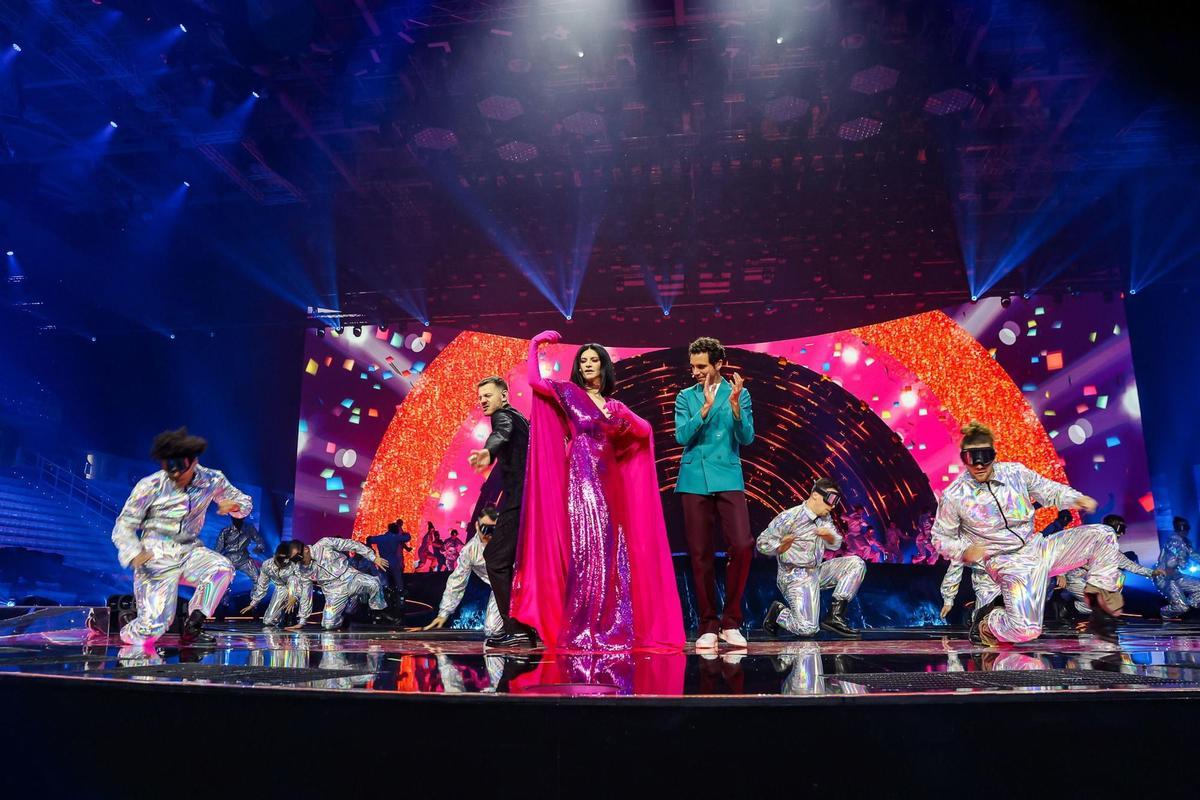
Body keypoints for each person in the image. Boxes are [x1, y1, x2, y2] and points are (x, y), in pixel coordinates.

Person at [507, 330, 684, 650]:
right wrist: (535, 345)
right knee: (588, 550)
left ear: (604, 367)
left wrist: (625, 417)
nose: (588, 364)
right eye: (584, 360)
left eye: (594, 360)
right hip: (581, 480)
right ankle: (585, 624)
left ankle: (612, 623)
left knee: (611, 553)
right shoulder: (569, 393)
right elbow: (534, 381)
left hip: (611, 482)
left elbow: (644, 430)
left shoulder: (613, 405)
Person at [931, 421, 1123, 645]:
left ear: (994, 454)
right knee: (1026, 631)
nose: (980, 464)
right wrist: (965, 550)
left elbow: (1048, 489)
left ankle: (1101, 610)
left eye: (985, 455)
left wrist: (1076, 498)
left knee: (1104, 535)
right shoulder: (954, 495)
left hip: (1038, 548)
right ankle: (987, 621)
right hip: (1006, 562)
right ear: (964, 458)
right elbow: (940, 537)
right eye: (972, 457)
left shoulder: (1015, 473)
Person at [110, 427, 250, 646]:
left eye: (180, 470)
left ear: (193, 463)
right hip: (155, 557)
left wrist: (235, 506)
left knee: (221, 568)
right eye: (169, 470)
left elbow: (243, 502)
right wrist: (134, 552)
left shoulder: (213, 480)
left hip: (190, 552)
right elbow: (124, 525)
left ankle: (194, 626)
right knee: (151, 631)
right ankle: (126, 622)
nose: (175, 476)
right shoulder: (150, 486)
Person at [674, 336, 755, 651]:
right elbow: (682, 436)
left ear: (718, 364)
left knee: (742, 544)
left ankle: (731, 620)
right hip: (694, 478)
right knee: (700, 553)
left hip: (729, 476)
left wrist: (734, 409)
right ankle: (708, 622)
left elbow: (746, 438)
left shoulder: (741, 394)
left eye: (701, 366)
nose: (695, 371)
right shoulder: (686, 397)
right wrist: (704, 410)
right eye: (693, 366)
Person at [467, 375, 533, 647]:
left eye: (488, 395)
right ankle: (525, 628)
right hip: (526, 498)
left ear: (503, 396)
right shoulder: (520, 418)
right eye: (480, 396)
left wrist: (487, 452)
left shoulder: (503, 417)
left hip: (517, 501)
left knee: (494, 558)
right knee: (517, 562)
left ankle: (516, 628)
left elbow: (500, 433)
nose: (483, 400)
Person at [760, 479, 866, 638]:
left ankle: (835, 616)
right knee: (807, 629)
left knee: (856, 564)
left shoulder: (825, 518)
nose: (832, 506)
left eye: (835, 502)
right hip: (794, 576)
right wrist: (780, 547)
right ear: (815, 495)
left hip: (816, 571)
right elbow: (762, 543)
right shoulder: (790, 517)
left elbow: (836, 544)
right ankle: (778, 613)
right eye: (829, 500)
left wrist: (828, 536)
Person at [1057, 514, 1163, 618]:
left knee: (1119, 577)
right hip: (1076, 578)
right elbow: (1068, 554)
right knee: (1098, 604)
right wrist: (1061, 574)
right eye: (1121, 529)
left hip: (1092, 582)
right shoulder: (1090, 543)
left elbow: (1131, 565)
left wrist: (1152, 572)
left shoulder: (1113, 552)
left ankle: (1076, 606)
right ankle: (1067, 607)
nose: (1122, 533)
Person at [422, 506, 503, 637]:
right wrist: (444, 613)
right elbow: (457, 580)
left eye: (492, 529)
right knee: (492, 630)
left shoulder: (508, 540)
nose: (488, 534)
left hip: (525, 584)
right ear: (477, 526)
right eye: (484, 528)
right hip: (501, 590)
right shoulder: (470, 550)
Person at [294, 537, 399, 630]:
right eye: (295, 560)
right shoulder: (302, 569)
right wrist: (302, 620)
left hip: (351, 577)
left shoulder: (324, 544)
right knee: (328, 625)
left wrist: (373, 558)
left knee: (373, 583)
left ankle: (380, 610)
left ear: (306, 550)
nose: (299, 562)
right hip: (333, 591)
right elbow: (306, 593)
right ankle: (344, 616)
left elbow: (351, 544)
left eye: (299, 558)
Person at [241, 541, 312, 629]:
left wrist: (295, 596)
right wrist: (253, 603)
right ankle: (282, 615)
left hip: (296, 589)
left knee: (293, 579)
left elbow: (302, 582)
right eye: (279, 559)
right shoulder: (267, 565)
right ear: (274, 556)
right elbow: (262, 585)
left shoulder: (294, 564)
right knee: (269, 621)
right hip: (281, 589)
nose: (282, 562)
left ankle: (292, 614)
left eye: (285, 559)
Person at [1155, 517, 1200, 618]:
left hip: (1176, 576)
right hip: (1164, 577)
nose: (1184, 530)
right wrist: (1181, 561)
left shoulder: (1185, 543)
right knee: (1181, 607)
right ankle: (1161, 614)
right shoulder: (1174, 541)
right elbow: (1170, 563)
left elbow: (1195, 555)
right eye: (1181, 527)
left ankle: (1188, 604)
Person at [367, 519, 412, 614]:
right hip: (394, 562)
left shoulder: (380, 538)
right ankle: (400, 597)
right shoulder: (395, 537)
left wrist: (369, 549)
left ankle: (384, 601)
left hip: (383, 562)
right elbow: (408, 537)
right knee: (398, 580)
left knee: (384, 583)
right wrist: (404, 533)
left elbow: (369, 539)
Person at [215, 516, 267, 584]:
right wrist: (216, 561)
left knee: (258, 579)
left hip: (244, 559)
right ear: (232, 518)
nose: (237, 520)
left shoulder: (249, 528)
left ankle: (256, 594)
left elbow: (259, 541)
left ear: (243, 518)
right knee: (220, 582)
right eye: (235, 518)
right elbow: (219, 548)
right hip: (228, 560)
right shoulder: (225, 531)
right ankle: (224, 593)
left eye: (239, 518)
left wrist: (259, 549)